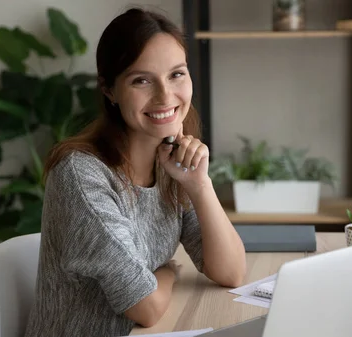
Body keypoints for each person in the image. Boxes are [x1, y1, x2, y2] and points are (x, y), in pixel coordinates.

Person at [23, 7, 247, 337]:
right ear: (109, 90)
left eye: (177, 74)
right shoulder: (81, 176)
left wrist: (199, 185)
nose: (165, 96)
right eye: (142, 80)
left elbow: (231, 272)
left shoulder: (170, 162)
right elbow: (147, 307)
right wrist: (167, 271)